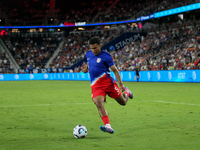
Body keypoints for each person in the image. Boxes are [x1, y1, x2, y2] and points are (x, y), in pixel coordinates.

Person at [82, 37, 133, 134]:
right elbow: (90, 62)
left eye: (95, 48)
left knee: (123, 102)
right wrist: (87, 68)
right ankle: (108, 126)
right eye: (92, 48)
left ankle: (127, 92)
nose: (93, 50)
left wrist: (121, 86)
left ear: (100, 46)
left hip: (109, 84)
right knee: (98, 103)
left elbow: (115, 70)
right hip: (96, 85)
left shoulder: (106, 56)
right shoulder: (88, 54)